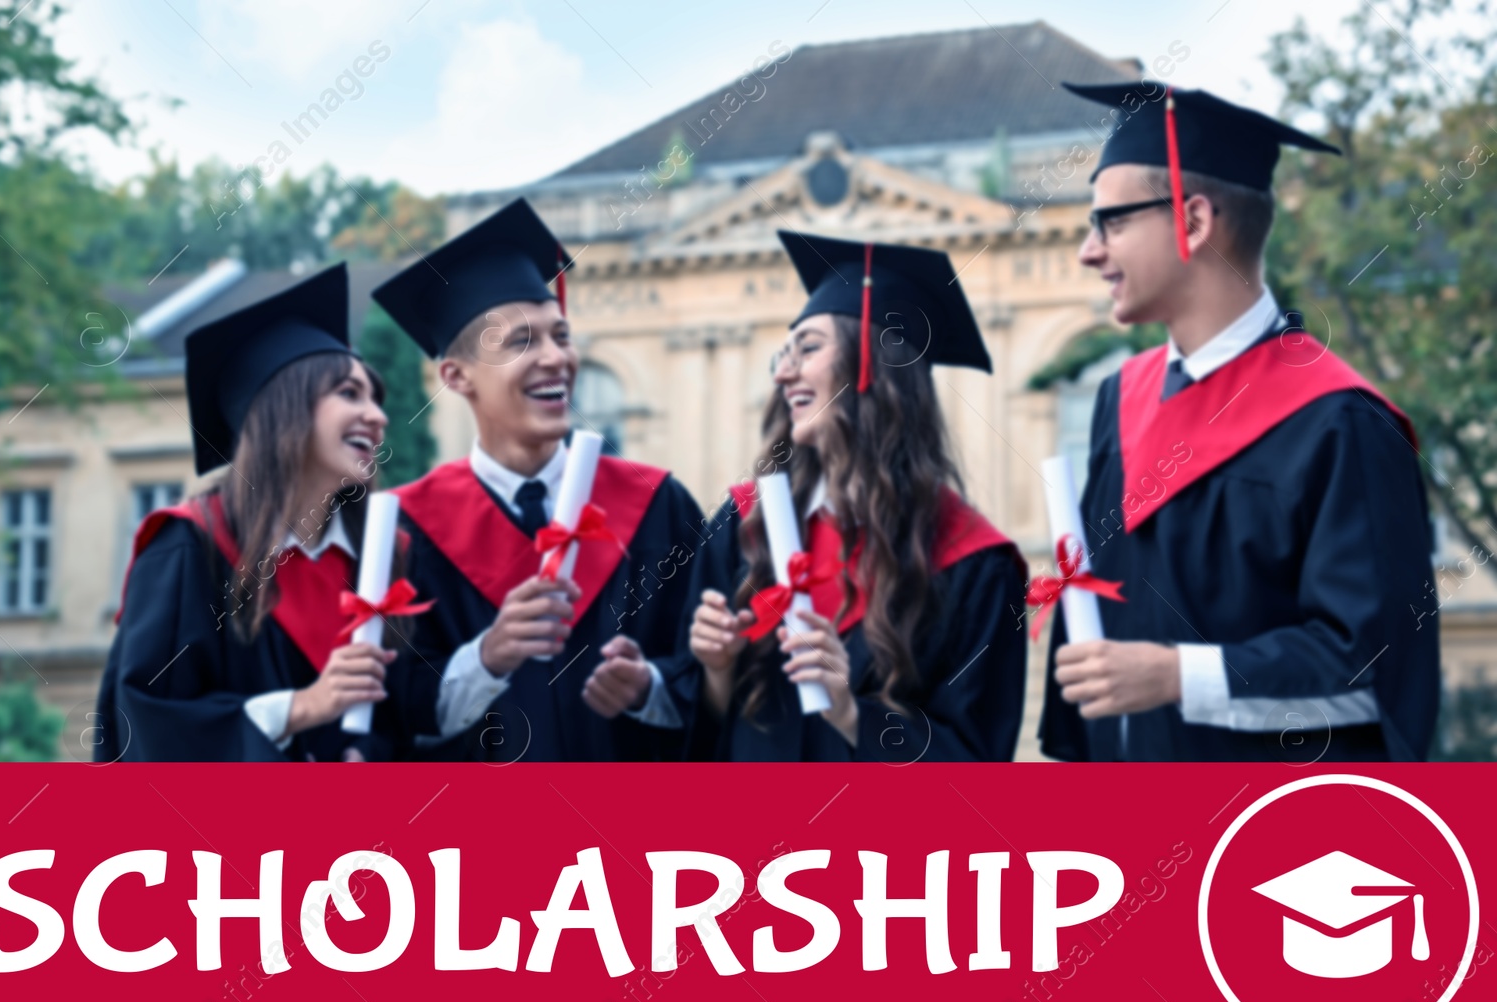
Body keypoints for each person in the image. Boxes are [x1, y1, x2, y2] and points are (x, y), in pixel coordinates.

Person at [1038, 82, 1437, 762]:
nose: (1088, 250)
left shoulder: (1341, 423)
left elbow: (1378, 676)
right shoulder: (1118, 402)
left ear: (1193, 223)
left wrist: (1176, 675)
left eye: (1111, 221)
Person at [371, 198, 705, 761]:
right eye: (522, 342)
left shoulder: (657, 504)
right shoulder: (404, 531)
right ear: (456, 376)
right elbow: (389, 718)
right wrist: (488, 657)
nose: (556, 358)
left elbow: (717, 678)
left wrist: (650, 688)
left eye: (561, 336)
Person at [674, 231, 1028, 761]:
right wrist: (717, 669)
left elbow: (974, 763)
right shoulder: (744, 524)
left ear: (873, 366)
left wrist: (851, 714)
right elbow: (703, 739)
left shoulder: (973, 562)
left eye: (809, 348)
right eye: (783, 354)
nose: (783, 371)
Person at [96, 263, 416, 761]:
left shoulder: (380, 562)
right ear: (282, 410)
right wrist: (301, 708)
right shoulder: (187, 549)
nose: (378, 416)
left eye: (376, 397)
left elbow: (408, 723)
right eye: (349, 393)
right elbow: (146, 724)